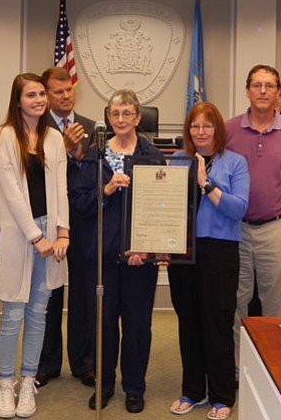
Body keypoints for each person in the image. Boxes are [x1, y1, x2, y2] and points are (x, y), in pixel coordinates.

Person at [72, 89, 163, 413]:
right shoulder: (94, 156)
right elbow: (80, 204)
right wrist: (106, 190)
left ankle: (134, 388)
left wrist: (147, 247)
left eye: (127, 113)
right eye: (115, 114)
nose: (121, 119)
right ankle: (105, 384)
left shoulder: (152, 155)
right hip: (102, 258)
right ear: (108, 118)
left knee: (138, 325)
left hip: (140, 259)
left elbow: (161, 207)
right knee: (105, 324)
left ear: (138, 117)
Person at [0, 73, 69, 418]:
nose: (38, 99)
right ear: (17, 100)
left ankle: (27, 382)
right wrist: (35, 237)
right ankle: (5, 385)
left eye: (41, 94)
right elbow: (10, 192)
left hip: (50, 233)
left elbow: (61, 189)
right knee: (13, 314)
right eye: (31, 95)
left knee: (39, 313)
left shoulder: (54, 137)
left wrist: (62, 232)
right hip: (19, 234)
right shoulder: (4, 136)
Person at [168, 102, 249, 420]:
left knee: (216, 323)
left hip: (220, 251)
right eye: (194, 126)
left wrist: (206, 184)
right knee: (188, 322)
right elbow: (165, 207)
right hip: (183, 252)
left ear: (218, 129)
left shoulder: (236, 163)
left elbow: (238, 208)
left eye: (207, 126)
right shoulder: (177, 160)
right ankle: (192, 391)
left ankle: (222, 395)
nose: (200, 132)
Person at [225, 65, 281, 360]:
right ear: (247, 90)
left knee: (277, 305)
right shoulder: (229, 130)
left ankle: (275, 369)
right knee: (234, 301)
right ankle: (237, 369)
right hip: (234, 227)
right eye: (257, 85)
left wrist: (279, 203)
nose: (263, 91)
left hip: (277, 228)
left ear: (278, 93)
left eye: (269, 86)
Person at [35, 67, 96, 389]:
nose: (65, 95)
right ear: (45, 95)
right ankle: (47, 363)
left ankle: (84, 363)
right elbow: (35, 172)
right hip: (49, 220)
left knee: (85, 293)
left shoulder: (90, 127)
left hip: (84, 221)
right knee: (50, 292)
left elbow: (97, 175)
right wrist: (64, 150)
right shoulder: (37, 127)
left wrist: (78, 155)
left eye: (68, 90)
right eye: (57, 92)